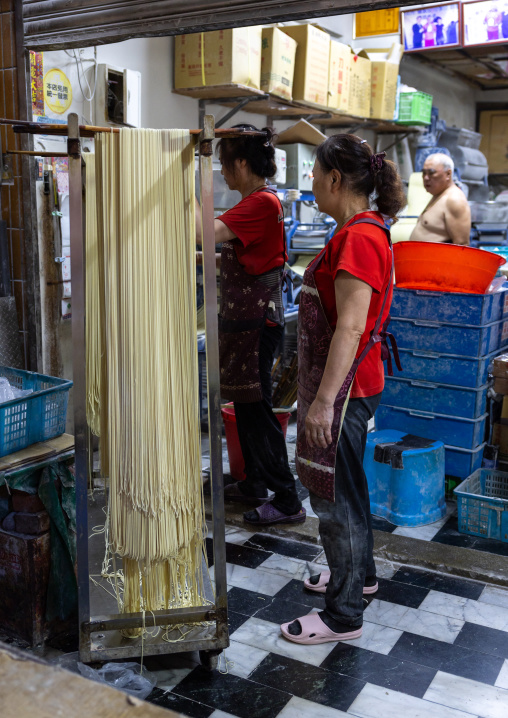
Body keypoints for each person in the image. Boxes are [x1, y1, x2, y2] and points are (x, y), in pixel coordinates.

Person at [280, 135, 405, 645]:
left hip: (347, 390)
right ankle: (361, 577)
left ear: (335, 179)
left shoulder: (359, 237)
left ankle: (343, 615)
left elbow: (351, 328)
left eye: (314, 172)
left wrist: (324, 404)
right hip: (352, 384)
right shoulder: (358, 230)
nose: (310, 181)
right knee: (349, 489)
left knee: (337, 501)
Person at [195, 123, 305, 527]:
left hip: (257, 321)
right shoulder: (256, 203)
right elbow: (238, 256)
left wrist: (180, 184)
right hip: (245, 320)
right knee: (244, 405)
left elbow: (200, 231)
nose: (222, 172)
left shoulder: (261, 203)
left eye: (224, 164)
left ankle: (288, 499)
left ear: (242, 163)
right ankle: (255, 482)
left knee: (256, 411)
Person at [410, 153, 471, 245]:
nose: (426, 178)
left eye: (431, 173)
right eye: (424, 173)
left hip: (437, 259)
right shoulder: (438, 194)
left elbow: (462, 244)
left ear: (448, 174)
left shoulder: (454, 199)